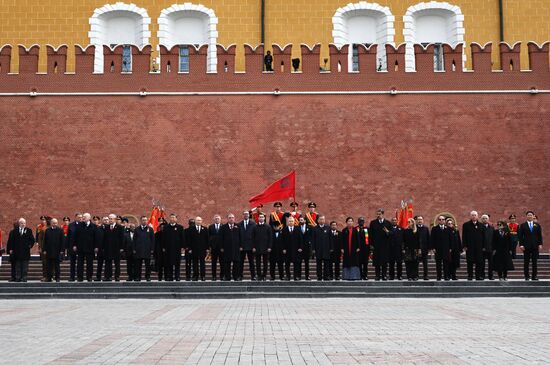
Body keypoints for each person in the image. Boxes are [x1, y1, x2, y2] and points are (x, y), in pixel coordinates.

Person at [7, 218, 35, 282]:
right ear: (19, 224)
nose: (23, 224)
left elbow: (32, 240)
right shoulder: (14, 231)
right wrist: (11, 249)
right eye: (22, 223)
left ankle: (24, 278)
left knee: (25, 266)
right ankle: (18, 277)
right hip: (17, 252)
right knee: (18, 266)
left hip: (25, 252)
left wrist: (29, 245)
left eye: (24, 223)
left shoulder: (28, 230)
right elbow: (12, 241)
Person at [517, 211, 543, 281]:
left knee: (534, 262)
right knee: (526, 262)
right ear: (526, 216)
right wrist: (521, 245)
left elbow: (539, 235)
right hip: (526, 246)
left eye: (531, 215)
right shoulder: (522, 225)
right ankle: (526, 276)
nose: (529, 216)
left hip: (535, 246)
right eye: (528, 215)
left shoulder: (537, 225)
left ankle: (534, 276)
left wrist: (540, 244)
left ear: (533, 216)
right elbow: (520, 236)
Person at [73, 213, 97, 282]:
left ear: (89, 218)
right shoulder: (79, 226)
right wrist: (74, 245)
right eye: (83, 217)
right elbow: (75, 236)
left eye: (85, 217)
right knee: (80, 264)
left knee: (90, 264)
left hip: (90, 248)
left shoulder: (94, 226)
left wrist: (96, 247)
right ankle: (80, 277)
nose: (83, 218)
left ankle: (89, 277)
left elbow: (96, 237)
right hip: (80, 248)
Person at [462, 211, 486, 281]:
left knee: (479, 262)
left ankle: (478, 276)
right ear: (470, 216)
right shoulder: (466, 225)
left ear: (477, 216)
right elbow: (464, 236)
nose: (474, 216)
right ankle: (470, 276)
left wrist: (484, 246)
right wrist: (464, 245)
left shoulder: (481, 225)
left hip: (479, 247)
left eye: (475, 215)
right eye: (472, 215)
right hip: (469, 247)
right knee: (470, 262)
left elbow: (484, 237)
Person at [369, 209, 391, 281]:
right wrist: (371, 244)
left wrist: (388, 232)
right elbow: (370, 234)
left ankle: (384, 275)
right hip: (376, 246)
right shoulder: (373, 223)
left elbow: (391, 234)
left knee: (384, 262)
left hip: (385, 246)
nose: (378, 215)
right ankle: (377, 276)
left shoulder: (387, 223)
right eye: (377, 214)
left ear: (383, 214)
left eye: (379, 214)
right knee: (377, 262)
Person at [163, 213, 186, 281]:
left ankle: (177, 277)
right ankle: (170, 277)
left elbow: (183, 238)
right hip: (168, 249)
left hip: (177, 249)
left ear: (176, 219)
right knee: (169, 263)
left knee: (177, 264)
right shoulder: (166, 227)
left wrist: (182, 247)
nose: (172, 219)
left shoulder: (180, 227)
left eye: (173, 217)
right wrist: (164, 247)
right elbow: (163, 238)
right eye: (171, 217)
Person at [220, 213, 242, 281]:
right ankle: (227, 277)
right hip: (227, 248)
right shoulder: (223, 227)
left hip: (236, 248)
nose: (231, 219)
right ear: (227, 219)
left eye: (232, 217)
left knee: (236, 263)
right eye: (230, 217)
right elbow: (221, 238)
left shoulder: (238, 226)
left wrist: (241, 246)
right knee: (227, 264)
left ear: (234, 218)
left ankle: (236, 277)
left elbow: (241, 237)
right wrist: (221, 247)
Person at [132, 216, 155, 282]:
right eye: (143, 220)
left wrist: (152, 249)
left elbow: (153, 240)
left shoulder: (150, 229)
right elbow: (134, 240)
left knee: (148, 266)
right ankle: (138, 277)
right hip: (138, 250)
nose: (144, 221)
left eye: (145, 220)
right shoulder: (137, 229)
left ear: (147, 221)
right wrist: (134, 249)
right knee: (138, 266)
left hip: (147, 250)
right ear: (141, 221)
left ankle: (148, 277)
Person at [103, 213, 125, 282]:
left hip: (116, 249)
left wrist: (121, 248)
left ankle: (117, 276)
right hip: (108, 248)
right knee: (108, 263)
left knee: (117, 264)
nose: (110, 220)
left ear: (115, 219)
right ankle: (108, 276)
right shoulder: (106, 227)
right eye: (109, 219)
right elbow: (104, 238)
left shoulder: (120, 227)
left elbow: (122, 238)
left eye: (111, 219)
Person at [281, 216, 304, 280]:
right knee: (287, 264)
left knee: (296, 264)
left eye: (292, 221)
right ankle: (288, 276)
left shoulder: (298, 229)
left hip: (296, 250)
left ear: (294, 222)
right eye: (289, 221)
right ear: (287, 222)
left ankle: (295, 276)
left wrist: (301, 247)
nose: (291, 222)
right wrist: (283, 249)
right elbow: (282, 240)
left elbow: (301, 239)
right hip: (287, 250)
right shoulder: (284, 229)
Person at [42, 218, 64, 282]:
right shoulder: (47, 230)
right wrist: (44, 250)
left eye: (56, 223)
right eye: (54, 223)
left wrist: (62, 250)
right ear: (51, 223)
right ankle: (49, 277)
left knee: (57, 266)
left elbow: (62, 241)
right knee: (49, 266)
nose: (55, 224)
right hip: (49, 251)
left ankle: (57, 278)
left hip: (57, 251)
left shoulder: (60, 230)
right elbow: (45, 241)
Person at [252, 213, 272, 281]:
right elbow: (253, 238)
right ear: (258, 218)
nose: (261, 218)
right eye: (260, 217)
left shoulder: (268, 226)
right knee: (258, 263)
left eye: (262, 217)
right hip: (257, 248)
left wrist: (269, 247)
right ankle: (259, 275)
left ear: (264, 218)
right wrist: (253, 247)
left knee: (265, 263)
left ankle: (264, 276)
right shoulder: (255, 227)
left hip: (266, 248)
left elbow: (270, 238)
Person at [431, 215, 452, 281]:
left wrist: (450, 248)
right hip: (437, 249)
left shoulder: (448, 229)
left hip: (446, 249)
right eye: (440, 219)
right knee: (438, 264)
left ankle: (446, 276)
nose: (441, 221)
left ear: (445, 221)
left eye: (443, 219)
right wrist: (433, 248)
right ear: (438, 221)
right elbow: (432, 239)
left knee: (446, 264)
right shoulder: (434, 229)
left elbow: (451, 239)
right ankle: (439, 277)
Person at [189, 216, 209, 281]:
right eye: (197, 220)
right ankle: (195, 276)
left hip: (202, 249)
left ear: (201, 221)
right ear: (195, 221)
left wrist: (207, 248)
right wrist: (190, 248)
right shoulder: (191, 229)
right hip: (194, 249)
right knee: (195, 263)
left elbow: (207, 239)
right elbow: (189, 240)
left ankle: (203, 276)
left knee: (202, 263)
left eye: (200, 220)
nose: (199, 221)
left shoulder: (205, 229)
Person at [312, 215, 332, 281]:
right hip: (318, 250)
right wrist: (313, 249)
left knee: (326, 264)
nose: (322, 221)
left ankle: (326, 276)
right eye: (320, 219)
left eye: (323, 219)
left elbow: (331, 239)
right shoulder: (315, 228)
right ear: (318, 220)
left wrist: (331, 248)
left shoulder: (328, 228)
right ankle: (319, 277)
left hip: (326, 249)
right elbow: (313, 240)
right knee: (319, 265)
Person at [239, 211, 256, 280]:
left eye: (247, 214)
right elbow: (238, 236)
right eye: (244, 214)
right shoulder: (239, 224)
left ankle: (253, 276)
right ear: (243, 215)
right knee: (241, 262)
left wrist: (254, 246)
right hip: (242, 247)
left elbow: (255, 236)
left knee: (251, 262)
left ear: (249, 215)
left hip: (251, 246)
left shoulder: (253, 224)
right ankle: (240, 276)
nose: (246, 215)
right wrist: (239, 246)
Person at [66, 213, 82, 282]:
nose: (80, 219)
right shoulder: (71, 225)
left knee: (80, 263)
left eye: (81, 217)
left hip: (80, 248)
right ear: (75, 217)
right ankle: (72, 277)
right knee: (72, 263)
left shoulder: (83, 225)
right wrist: (68, 247)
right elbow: (68, 237)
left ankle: (79, 277)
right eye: (79, 217)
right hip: (72, 247)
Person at [415, 215, 431, 280]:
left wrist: (429, 248)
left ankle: (425, 276)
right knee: (416, 264)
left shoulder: (426, 228)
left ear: (423, 220)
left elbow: (428, 239)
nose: (419, 221)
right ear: (416, 221)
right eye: (418, 219)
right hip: (416, 249)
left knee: (425, 264)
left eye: (421, 219)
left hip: (424, 249)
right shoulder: (414, 228)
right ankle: (416, 276)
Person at [208, 214, 223, 281]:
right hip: (213, 248)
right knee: (213, 263)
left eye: (218, 218)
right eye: (216, 218)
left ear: (220, 219)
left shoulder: (223, 226)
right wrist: (210, 246)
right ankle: (214, 276)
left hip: (221, 248)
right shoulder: (211, 227)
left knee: (222, 263)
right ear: (214, 219)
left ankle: (222, 276)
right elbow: (208, 237)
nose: (217, 219)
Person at [480, 214, 494, 280]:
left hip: (490, 248)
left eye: (486, 218)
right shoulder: (479, 227)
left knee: (491, 264)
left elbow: (494, 238)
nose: (485, 219)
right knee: (482, 263)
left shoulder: (491, 227)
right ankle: (482, 275)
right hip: (482, 249)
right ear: (481, 219)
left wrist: (494, 248)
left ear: (488, 219)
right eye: (483, 218)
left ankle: (490, 276)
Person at [298, 216, 312, 280]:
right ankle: (299, 276)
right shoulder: (297, 228)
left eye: (302, 220)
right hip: (300, 248)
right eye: (300, 220)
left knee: (307, 263)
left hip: (307, 248)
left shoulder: (309, 227)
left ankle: (307, 276)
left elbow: (311, 237)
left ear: (305, 221)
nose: (301, 221)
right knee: (299, 263)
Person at [94, 217, 108, 281]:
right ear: (102, 221)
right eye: (105, 220)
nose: (106, 221)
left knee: (107, 264)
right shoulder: (98, 228)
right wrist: (96, 246)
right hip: (100, 249)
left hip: (108, 249)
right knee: (99, 264)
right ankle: (98, 277)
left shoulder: (110, 228)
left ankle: (107, 276)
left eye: (107, 220)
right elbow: (96, 238)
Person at [35, 215, 48, 282]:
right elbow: (38, 237)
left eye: (44, 220)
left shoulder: (49, 228)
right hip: (43, 248)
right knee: (44, 262)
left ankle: (49, 276)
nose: (43, 221)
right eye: (42, 220)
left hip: (49, 248)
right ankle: (45, 276)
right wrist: (39, 246)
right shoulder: (39, 227)